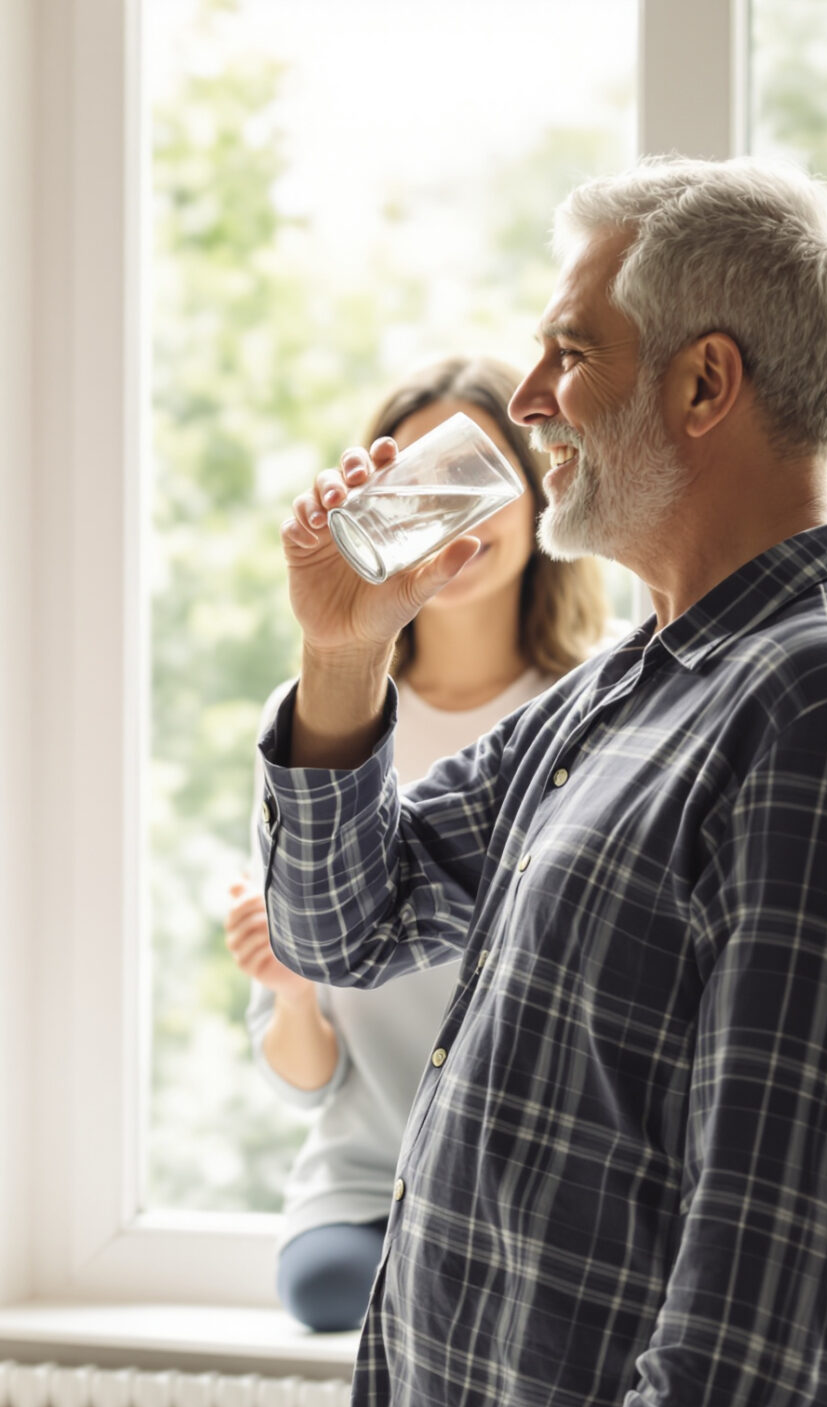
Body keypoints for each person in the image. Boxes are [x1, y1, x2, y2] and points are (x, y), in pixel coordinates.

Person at [259, 156, 827, 1407]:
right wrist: (341, 654)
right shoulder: (633, 683)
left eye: (568, 351)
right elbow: (345, 926)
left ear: (705, 382)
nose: (533, 399)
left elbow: (760, 1339)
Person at [227, 357, 607, 1334]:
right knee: (331, 1289)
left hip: (537, 1179)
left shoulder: (595, 716)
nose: (449, 518)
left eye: (474, 481)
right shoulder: (324, 732)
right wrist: (291, 986)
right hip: (373, 1185)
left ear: (538, 497)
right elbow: (299, 1080)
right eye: (414, 494)